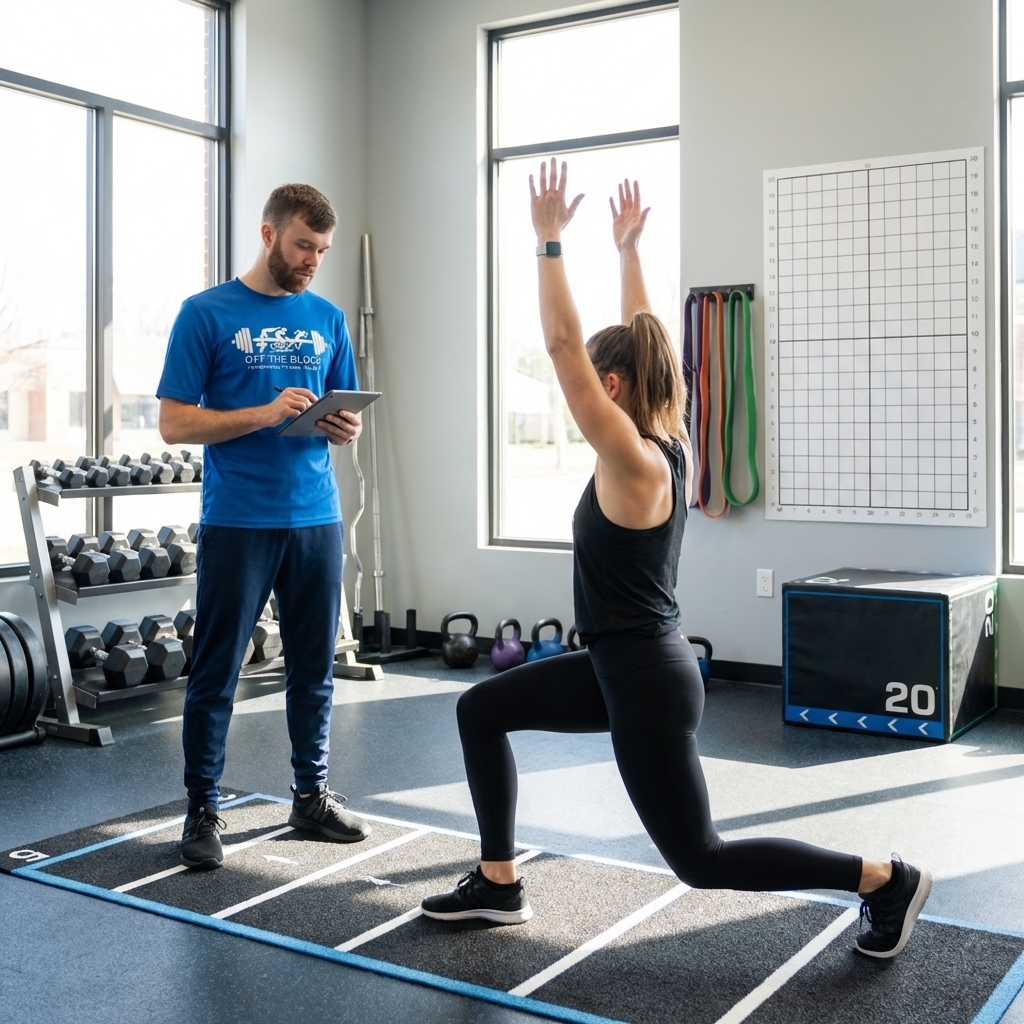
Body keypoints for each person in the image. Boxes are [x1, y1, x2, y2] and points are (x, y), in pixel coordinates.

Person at [421, 161, 931, 959]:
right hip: (622, 666)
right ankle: (498, 882)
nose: (582, 391)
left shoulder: (634, 459)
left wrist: (549, 242)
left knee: (702, 860)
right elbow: (645, 339)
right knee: (479, 710)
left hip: (646, 681)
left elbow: (562, 347)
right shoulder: (664, 435)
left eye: (597, 380)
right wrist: (626, 251)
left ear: (613, 385)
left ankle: (884, 878)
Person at [157, 183, 370, 870]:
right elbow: (174, 422)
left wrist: (346, 425)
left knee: (315, 671)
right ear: (269, 234)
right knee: (216, 672)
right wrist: (264, 411)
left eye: (323, 250)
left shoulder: (328, 317)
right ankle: (203, 808)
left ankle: (310, 797)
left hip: (317, 517)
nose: (313, 260)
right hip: (239, 519)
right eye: (304, 245)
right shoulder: (205, 314)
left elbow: (347, 414)